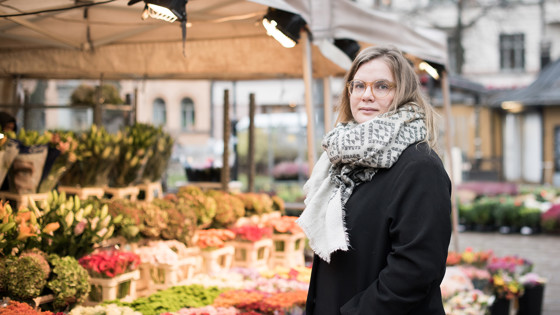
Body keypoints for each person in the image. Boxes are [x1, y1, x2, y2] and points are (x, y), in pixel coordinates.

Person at [296, 45, 452, 315]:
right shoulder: (341, 161)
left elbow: (416, 270)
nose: (366, 95)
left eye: (382, 86)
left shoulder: (420, 166)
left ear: (402, 93)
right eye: (358, 86)